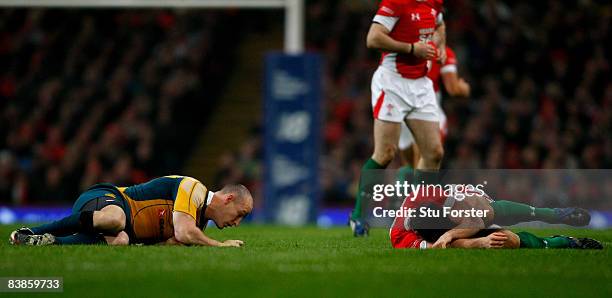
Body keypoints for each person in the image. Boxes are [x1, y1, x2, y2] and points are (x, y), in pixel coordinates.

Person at [351, 0, 446, 236]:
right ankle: (358, 217)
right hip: (393, 83)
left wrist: (439, 45)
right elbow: (373, 38)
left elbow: (439, 24)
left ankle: (417, 216)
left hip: (421, 85)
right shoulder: (396, 3)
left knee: (434, 153)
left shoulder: (434, 3)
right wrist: (412, 49)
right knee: (385, 154)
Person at [9, 175, 252, 247]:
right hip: (106, 198)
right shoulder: (194, 188)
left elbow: (166, 246)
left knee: (121, 240)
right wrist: (220, 246)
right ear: (228, 198)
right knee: (116, 219)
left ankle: (48, 241)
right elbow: (184, 232)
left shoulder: (198, 224)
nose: (237, 222)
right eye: (240, 213)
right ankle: (32, 229)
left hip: (120, 228)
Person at [389, 187, 600, 249]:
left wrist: (454, 232)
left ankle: (552, 214)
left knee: (490, 212)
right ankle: (564, 242)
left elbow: (476, 219)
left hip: (472, 201)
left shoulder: (431, 195)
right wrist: (479, 242)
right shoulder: (401, 237)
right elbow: (445, 246)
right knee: (507, 240)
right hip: (449, 228)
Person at [399, 45, 470, 167]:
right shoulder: (443, 52)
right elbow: (453, 89)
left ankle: (412, 179)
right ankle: (421, 184)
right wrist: (465, 88)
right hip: (426, 108)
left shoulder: (404, 46)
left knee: (410, 160)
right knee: (426, 158)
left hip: (400, 107)